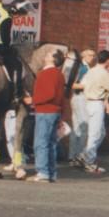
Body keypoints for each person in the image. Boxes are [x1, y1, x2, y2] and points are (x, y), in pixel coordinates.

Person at [0, 0, 33, 97]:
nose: (18, 17)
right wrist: (11, 49)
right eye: (19, 15)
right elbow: (5, 40)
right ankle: (17, 93)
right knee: (17, 64)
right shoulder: (6, 19)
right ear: (16, 11)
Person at [29, 49, 66, 183]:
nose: (46, 55)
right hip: (55, 111)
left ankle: (43, 172)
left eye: (49, 54)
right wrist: (62, 115)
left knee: (41, 143)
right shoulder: (59, 74)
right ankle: (51, 173)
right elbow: (61, 97)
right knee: (51, 143)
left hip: (45, 110)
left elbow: (48, 93)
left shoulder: (45, 73)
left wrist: (33, 100)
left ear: (53, 59)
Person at [78, 50, 109, 173]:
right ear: (108, 60)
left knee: (101, 133)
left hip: (87, 102)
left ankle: (84, 155)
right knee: (95, 134)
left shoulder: (91, 70)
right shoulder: (104, 73)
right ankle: (89, 162)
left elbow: (82, 84)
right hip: (96, 103)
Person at [68, 48, 95, 165]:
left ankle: (73, 155)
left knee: (77, 127)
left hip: (80, 98)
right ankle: (79, 155)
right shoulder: (81, 68)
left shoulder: (87, 67)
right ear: (83, 56)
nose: (92, 57)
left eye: (93, 55)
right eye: (90, 55)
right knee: (84, 126)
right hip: (79, 98)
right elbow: (72, 84)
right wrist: (88, 86)